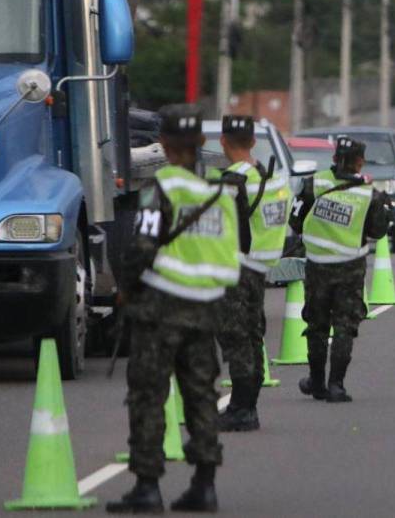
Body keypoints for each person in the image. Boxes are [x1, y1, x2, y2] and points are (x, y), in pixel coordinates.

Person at [107, 104, 240, 514]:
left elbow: (143, 246)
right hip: (207, 306)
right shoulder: (222, 190)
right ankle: (205, 484)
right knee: (200, 395)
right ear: (201, 142)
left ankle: (147, 486)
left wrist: (125, 288)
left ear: (162, 144)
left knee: (149, 394)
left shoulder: (160, 188)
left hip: (161, 306)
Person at [290, 137, 389, 402]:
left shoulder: (313, 183)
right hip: (350, 267)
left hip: (317, 266)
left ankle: (317, 382)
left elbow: (295, 221)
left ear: (334, 159)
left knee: (317, 324)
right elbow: (378, 231)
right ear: (360, 162)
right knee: (345, 326)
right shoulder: (370, 193)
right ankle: (337, 386)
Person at [210, 115, 291, 432]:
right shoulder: (271, 178)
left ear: (223, 141)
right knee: (252, 335)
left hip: (236, 268)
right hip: (261, 267)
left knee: (236, 338)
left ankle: (243, 410)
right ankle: (245, 405)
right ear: (254, 142)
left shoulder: (232, 181)